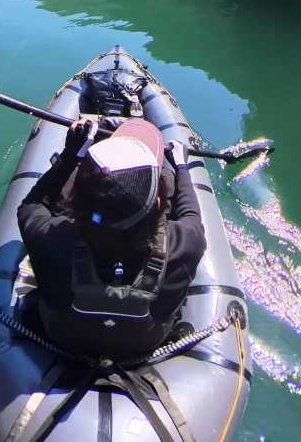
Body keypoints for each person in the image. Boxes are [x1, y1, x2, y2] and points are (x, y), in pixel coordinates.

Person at [17, 115, 206, 360]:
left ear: (75, 197)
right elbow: (191, 214)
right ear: (159, 202)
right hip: (143, 345)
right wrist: (181, 168)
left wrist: (70, 156)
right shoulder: (186, 243)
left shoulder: (50, 239)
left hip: (64, 338)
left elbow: (32, 204)